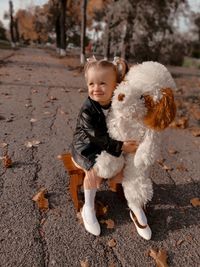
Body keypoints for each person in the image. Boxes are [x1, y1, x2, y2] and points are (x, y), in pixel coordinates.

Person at [71, 57, 138, 236]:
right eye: (91, 84)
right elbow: (97, 138)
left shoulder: (115, 103)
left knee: (126, 165)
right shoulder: (88, 109)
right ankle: (88, 207)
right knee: (93, 171)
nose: (96, 88)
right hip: (85, 147)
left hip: (106, 144)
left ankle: (133, 199)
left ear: (115, 86)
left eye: (102, 83)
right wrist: (122, 146)